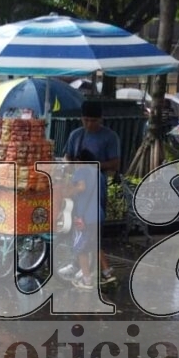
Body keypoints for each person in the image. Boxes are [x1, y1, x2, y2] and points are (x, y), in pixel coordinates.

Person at [61, 110, 121, 284]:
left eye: (93, 120)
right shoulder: (76, 135)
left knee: (82, 241)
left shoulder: (110, 137)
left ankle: (86, 276)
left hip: (90, 206)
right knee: (91, 240)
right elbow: (68, 157)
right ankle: (104, 271)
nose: (89, 124)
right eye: (86, 119)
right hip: (89, 207)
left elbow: (115, 163)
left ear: (101, 119)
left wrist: (68, 190)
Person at [67, 149, 105, 290]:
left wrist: (69, 191)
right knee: (92, 245)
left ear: (79, 161)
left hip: (85, 216)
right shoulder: (99, 173)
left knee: (81, 248)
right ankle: (104, 273)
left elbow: (81, 187)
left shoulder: (81, 170)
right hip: (98, 214)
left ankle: (86, 280)